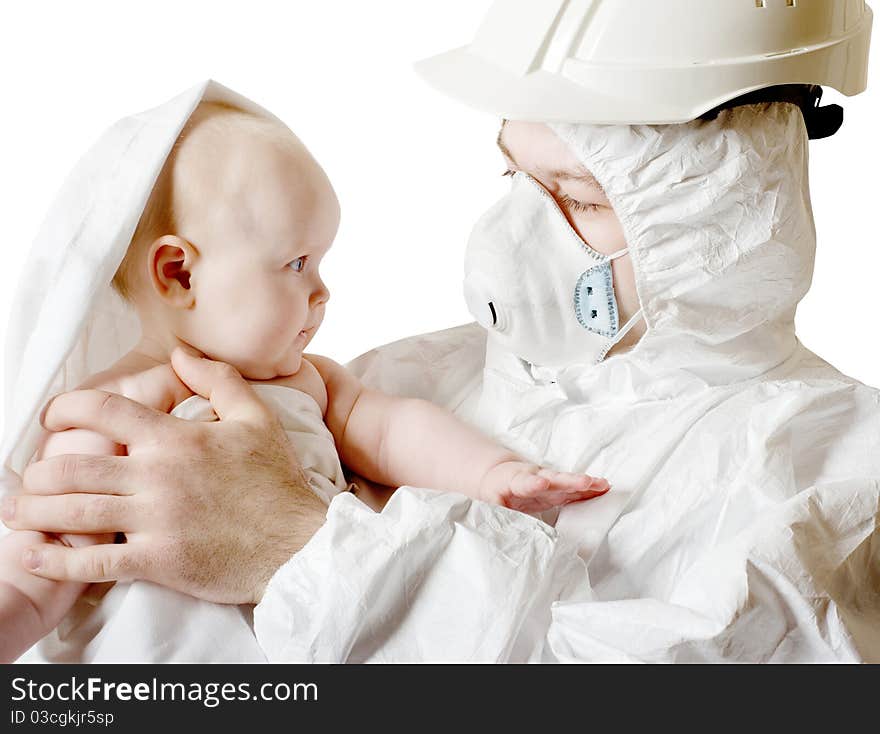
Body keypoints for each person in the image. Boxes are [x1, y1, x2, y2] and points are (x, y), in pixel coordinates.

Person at [3, 2, 879, 662]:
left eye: (577, 198)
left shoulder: (830, 473)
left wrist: (298, 548)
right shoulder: (422, 373)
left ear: (722, 199)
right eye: (513, 174)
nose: (517, 235)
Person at [0, 99, 609, 662]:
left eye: (319, 263)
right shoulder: (105, 413)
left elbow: (396, 431)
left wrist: (493, 474)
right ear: (180, 273)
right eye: (296, 264)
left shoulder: (307, 383)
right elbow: (37, 576)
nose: (321, 291)